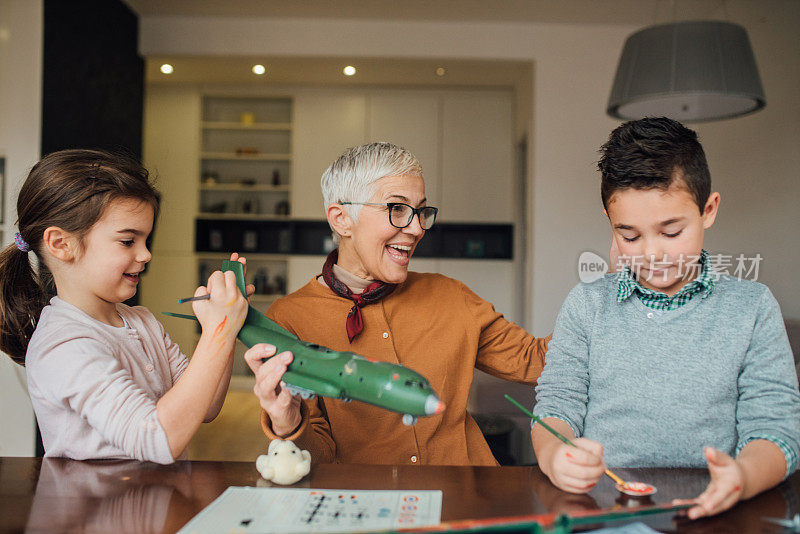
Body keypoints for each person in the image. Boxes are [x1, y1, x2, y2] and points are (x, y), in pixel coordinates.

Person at [531, 117, 800, 519]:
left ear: (708, 210)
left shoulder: (752, 307)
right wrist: (555, 455)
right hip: (605, 508)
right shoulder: (586, 306)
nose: (651, 254)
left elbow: (776, 427)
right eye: (630, 236)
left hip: (714, 509)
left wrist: (743, 475)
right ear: (610, 223)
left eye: (671, 232)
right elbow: (557, 405)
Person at [244, 141, 550, 465]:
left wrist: (597, 304)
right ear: (341, 219)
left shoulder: (452, 296)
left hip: (466, 500)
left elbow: (537, 360)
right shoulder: (288, 319)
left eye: (421, 211)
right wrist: (289, 423)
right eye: (398, 209)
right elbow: (317, 457)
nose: (417, 228)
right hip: (368, 508)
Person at [0, 149, 249, 464]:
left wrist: (227, 329)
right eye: (128, 241)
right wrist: (219, 331)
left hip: (156, 505)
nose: (145, 255)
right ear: (61, 244)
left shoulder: (141, 321)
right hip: (102, 511)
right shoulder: (62, 344)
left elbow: (208, 406)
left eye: (146, 240)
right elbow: (157, 439)